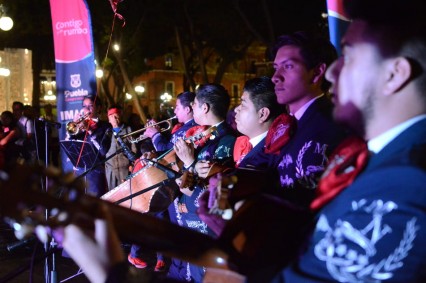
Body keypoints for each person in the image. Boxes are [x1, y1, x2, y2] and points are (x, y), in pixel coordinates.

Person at [273, 0, 426, 282]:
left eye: (349, 56)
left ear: (394, 75)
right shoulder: (382, 159)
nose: (331, 73)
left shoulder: (405, 182)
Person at [268, 31, 348, 208]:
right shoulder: (288, 125)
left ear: (317, 72)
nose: (275, 77)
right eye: (275, 68)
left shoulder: (332, 126)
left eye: (288, 67)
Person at [171, 83, 236, 282]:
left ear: (205, 108)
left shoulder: (226, 140)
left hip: (205, 226)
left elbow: (212, 187)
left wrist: (190, 162)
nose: (193, 110)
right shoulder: (202, 135)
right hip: (189, 219)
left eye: (196, 105)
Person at [127, 92, 197, 273]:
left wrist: (155, 136)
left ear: (188, 109)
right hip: (170, 184)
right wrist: (152, 153)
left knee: (171, 227)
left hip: (179, 186)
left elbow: (170, 154)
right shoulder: (181, 127)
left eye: (178, 107)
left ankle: (176, 267)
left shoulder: (188, 129)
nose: (174, 110)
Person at [67, 95, 111, 197]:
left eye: (90, 106)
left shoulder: (105, 126)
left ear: (99, 108)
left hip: (95, 173)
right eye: (84, 106)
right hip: (79, 171)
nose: (86, 109)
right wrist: (73, 127)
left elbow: (103, 150)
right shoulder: (80, 125)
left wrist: (90, 130)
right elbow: (69, 144)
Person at [105, 105, 137, 190]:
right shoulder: (107, 132)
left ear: (120, 116)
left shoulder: (128, 130)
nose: (114, 118)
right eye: (111, 116)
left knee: (126, 192)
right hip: (111, 170)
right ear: (109, 119)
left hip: (125, 169)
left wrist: (132, 164)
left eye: (116, 116)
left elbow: (134, 148)